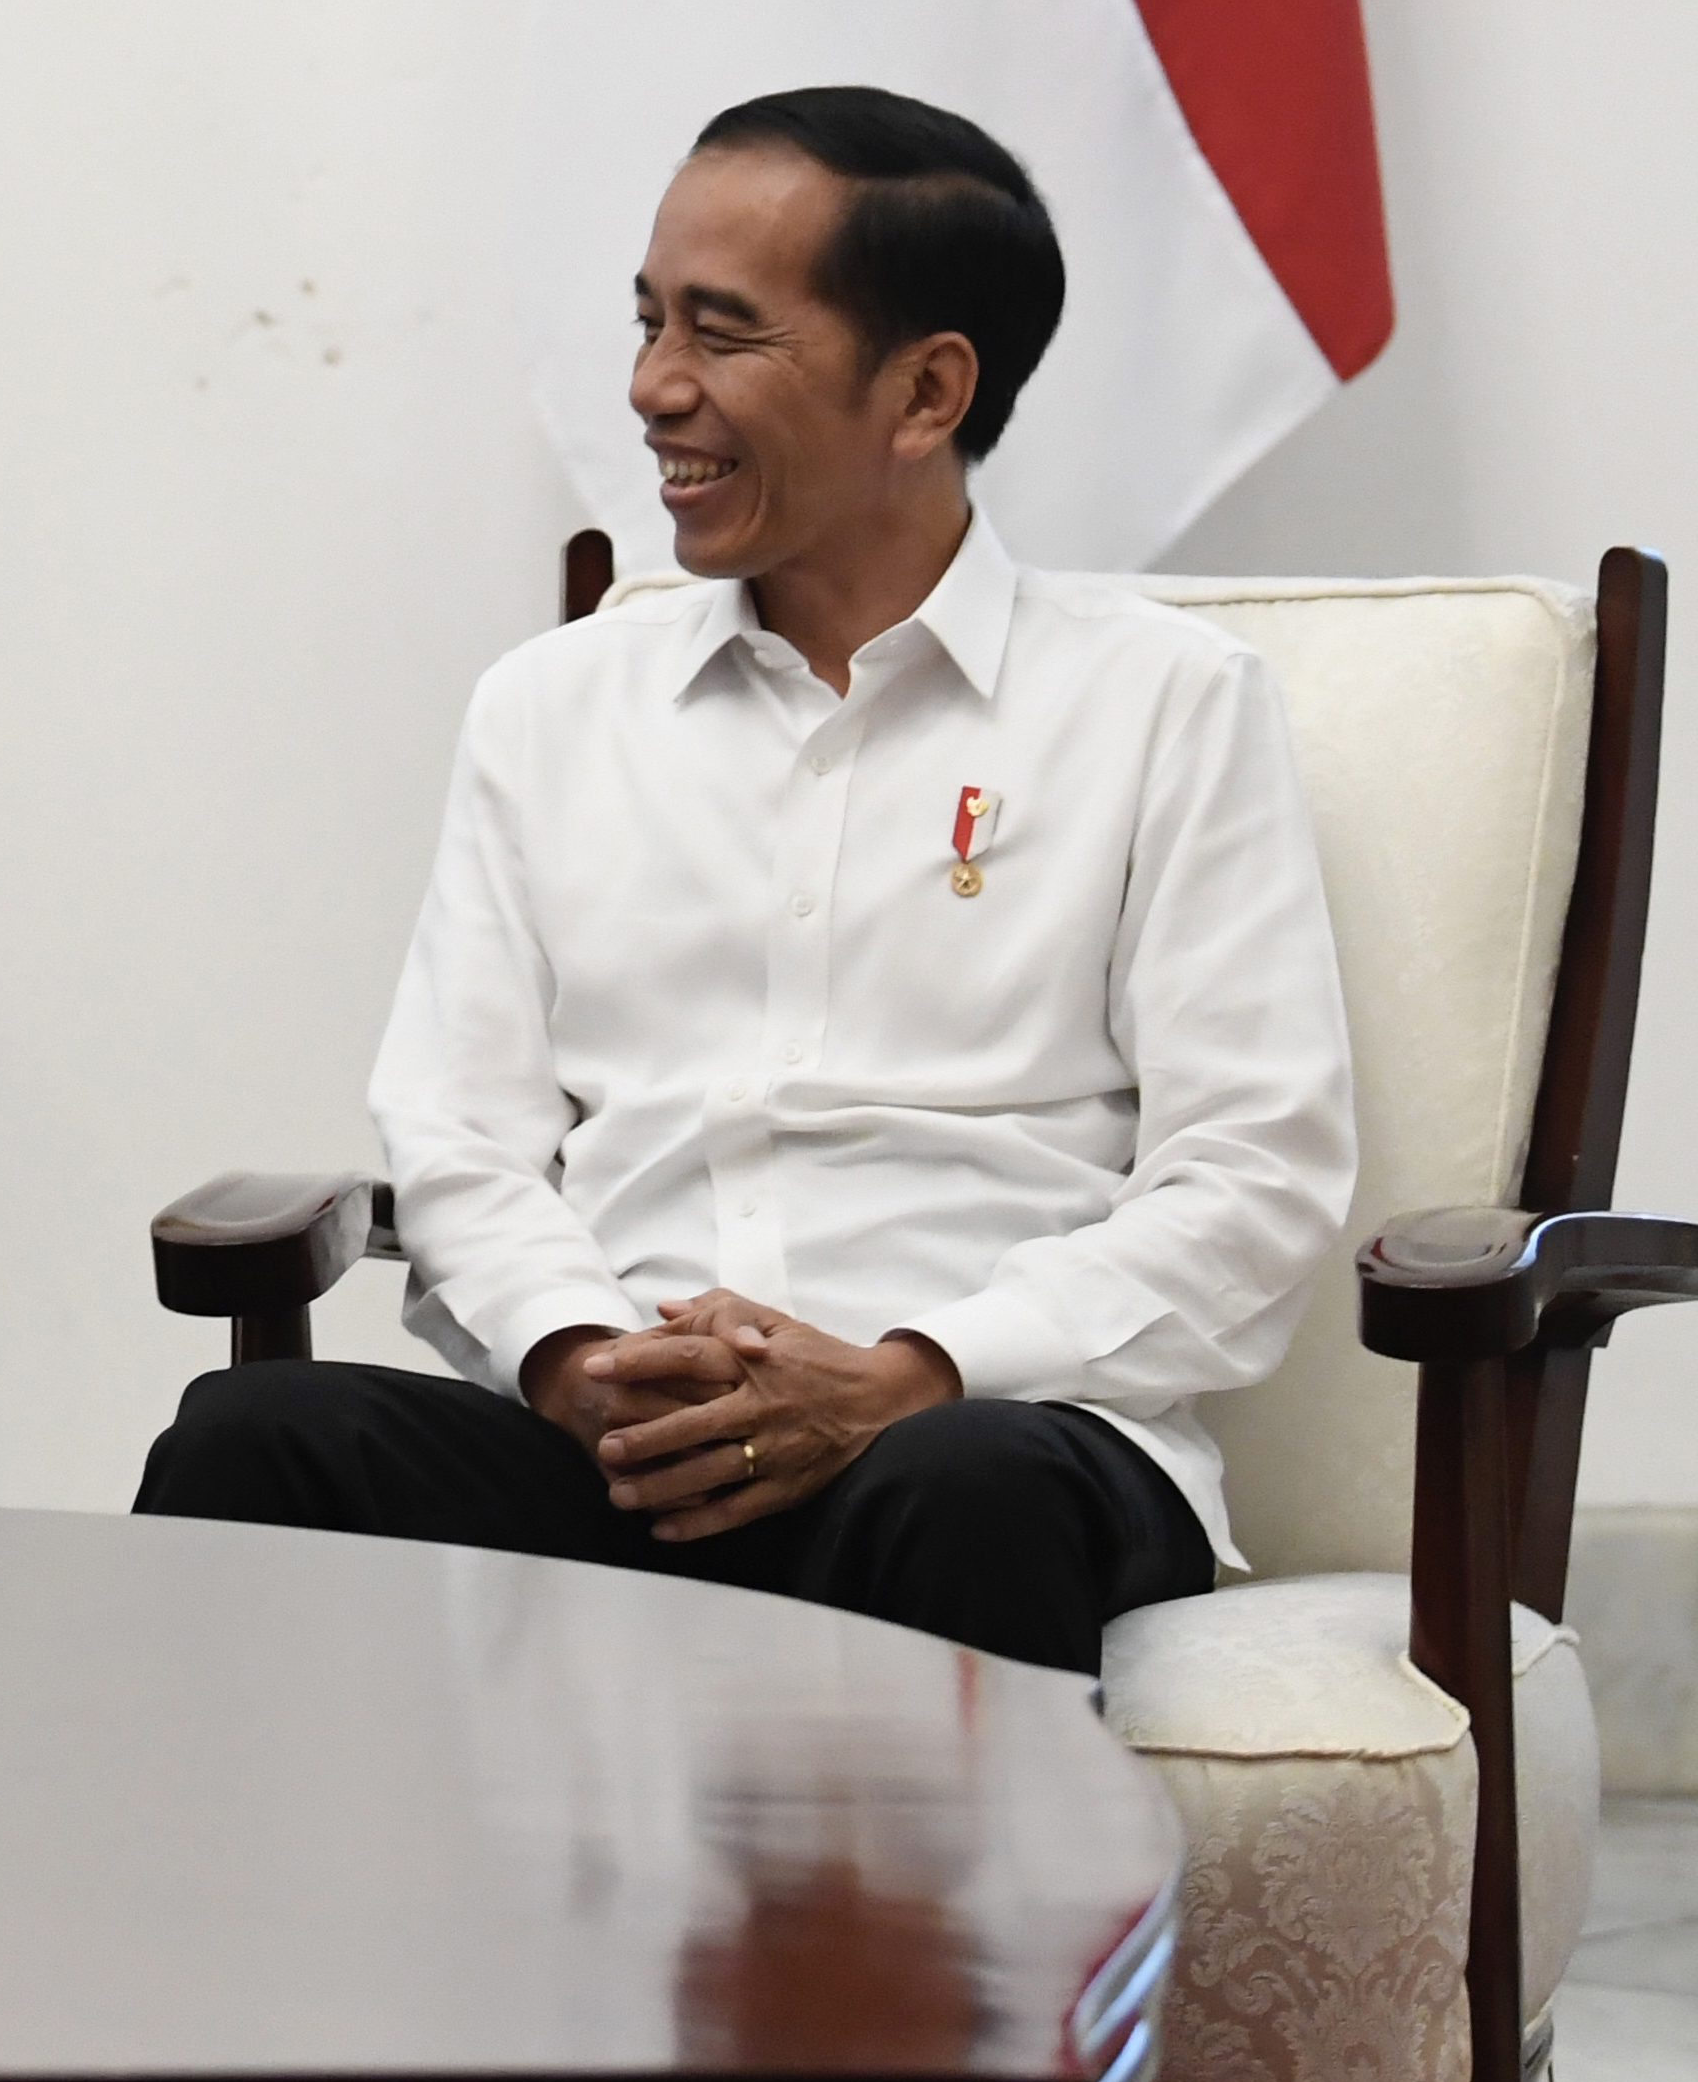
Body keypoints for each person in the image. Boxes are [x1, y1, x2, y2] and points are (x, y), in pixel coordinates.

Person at [133, 86, 1352, 1678]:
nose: (654, 387)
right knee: (254, 1438)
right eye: (649, 321)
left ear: (925, 391)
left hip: (986, 1432)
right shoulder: (552, 706)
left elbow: (1254, 1175)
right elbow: (457, 1131)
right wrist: (578, 1359)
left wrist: (913, 1369)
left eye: (722, 333)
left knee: (960, 1488)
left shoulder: (1165, 704)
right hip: (616, 1457)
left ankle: (929, 1862)